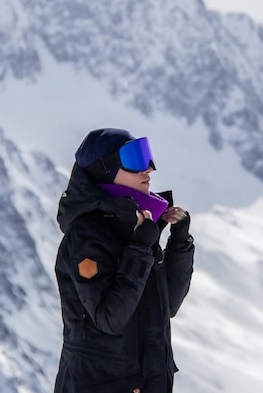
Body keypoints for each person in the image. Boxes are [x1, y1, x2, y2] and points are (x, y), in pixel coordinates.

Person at [54, 128, 195, 393]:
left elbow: (169, 306)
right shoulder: (87, 235)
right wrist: (140, 247)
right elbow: (109, 317)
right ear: (105, 170)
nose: (149, 169)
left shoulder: (138, 227)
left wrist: (179, 244)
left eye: (147, 157)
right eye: (134, 159)